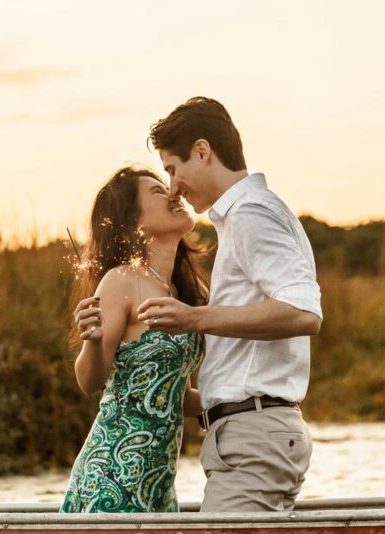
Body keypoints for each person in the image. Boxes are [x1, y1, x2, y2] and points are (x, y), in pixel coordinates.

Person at [137, 97, 323, 512]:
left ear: (202, 152)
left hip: (256, 437)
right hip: (250, 436)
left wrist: (194, 318)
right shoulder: (246, 217)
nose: (172, 187)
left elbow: (304, 313)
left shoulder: (251, 215)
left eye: (172, 169)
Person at [60, 165, 208, 513]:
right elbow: (89, 381)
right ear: (134, 221)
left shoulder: (190, 291)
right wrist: (93, 341)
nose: (173, 193)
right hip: (112, 474)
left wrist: (250, 407)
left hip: (157, 483)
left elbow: (177, 396)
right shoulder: (121, 281)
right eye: (157, 191)